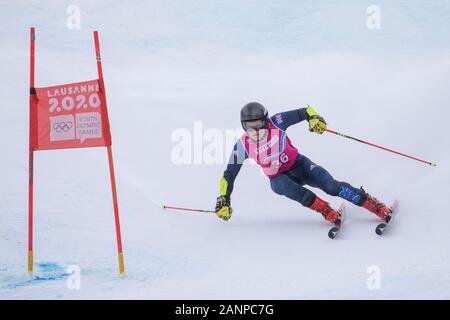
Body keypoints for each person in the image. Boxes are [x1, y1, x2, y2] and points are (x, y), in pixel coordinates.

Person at [215, 102, 392, 225]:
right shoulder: (242, 145)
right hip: (279, 178)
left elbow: (305, 111)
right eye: (249, 126)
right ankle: (325, 210)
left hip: (300, 166)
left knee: (331, 186)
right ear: (243, 126)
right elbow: (228, 175)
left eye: (259, 124)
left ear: (266, 120)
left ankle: (372, 204)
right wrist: (224, 200)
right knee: (281, 186)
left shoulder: (277, 122)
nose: (255, 130)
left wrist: (315, 119)